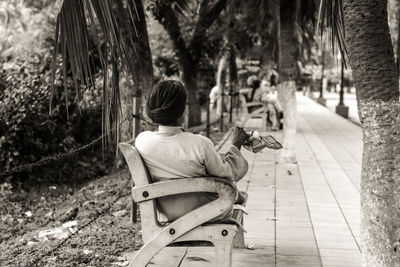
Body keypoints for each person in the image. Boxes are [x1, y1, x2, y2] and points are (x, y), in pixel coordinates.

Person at [136, 80, 249, 222]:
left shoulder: (142, 141)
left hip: (166, 214)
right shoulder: (200, 144)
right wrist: (235, 146)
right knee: (231, 188)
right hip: (208, 212)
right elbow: (229, 173)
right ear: (183, 112)